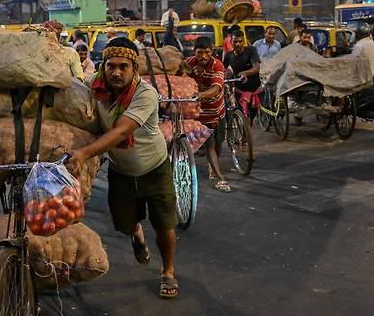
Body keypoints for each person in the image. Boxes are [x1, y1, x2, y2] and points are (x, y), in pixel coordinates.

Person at [68, 37, 180, 299]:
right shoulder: (94, 87)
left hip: (154, 169)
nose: (116, 72)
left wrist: (83, 153)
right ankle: (137, 233)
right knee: (125, 225)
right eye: (110, 66)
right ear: (103, 67)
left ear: (134, 68)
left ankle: (168, 271)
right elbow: (71, 99)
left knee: (164, 225)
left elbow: (121, 132)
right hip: (121, 172)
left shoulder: (145, 94)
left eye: (123, 67)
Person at [186, 36, 230, 193]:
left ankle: (213, 167)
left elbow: (216, 89)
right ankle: (220, 177)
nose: (203, 56)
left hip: (216, 111)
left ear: (212, 52)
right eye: (199, 53)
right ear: (194, 52)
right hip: (198, 113)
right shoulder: (189, 63)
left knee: (218, 142)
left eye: (207, 52)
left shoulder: (217, 65)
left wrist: (199, 95)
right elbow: (179, 77)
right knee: (210, 144)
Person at [223, 29, 261, 123]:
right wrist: (226, 75)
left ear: (243, 42)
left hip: (255, 89)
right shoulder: (228, 56)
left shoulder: (251, 50)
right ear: (231, 42)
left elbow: (256, 67)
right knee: (240, 114)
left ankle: (248, 131)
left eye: (240, 41)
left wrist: (245, 73)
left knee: (252, 115)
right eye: (235, 41)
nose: (238, 44)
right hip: (239, 90)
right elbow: (223, 70)